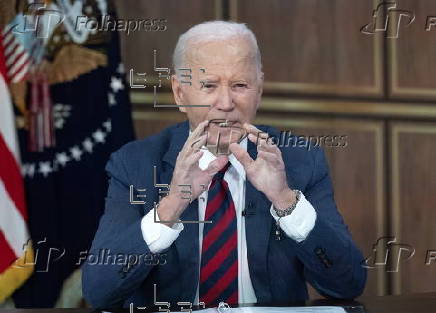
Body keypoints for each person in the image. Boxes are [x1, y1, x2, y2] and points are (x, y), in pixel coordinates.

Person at [82, 20, 366, 308]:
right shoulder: (135, 165)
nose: (226, 102)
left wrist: (285, 201)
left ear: (259, 90)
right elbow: (99, 291)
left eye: (240, 85)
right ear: (180, 93)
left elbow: (348, 283)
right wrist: (172, 205)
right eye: (209, 85)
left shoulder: (300, 161)